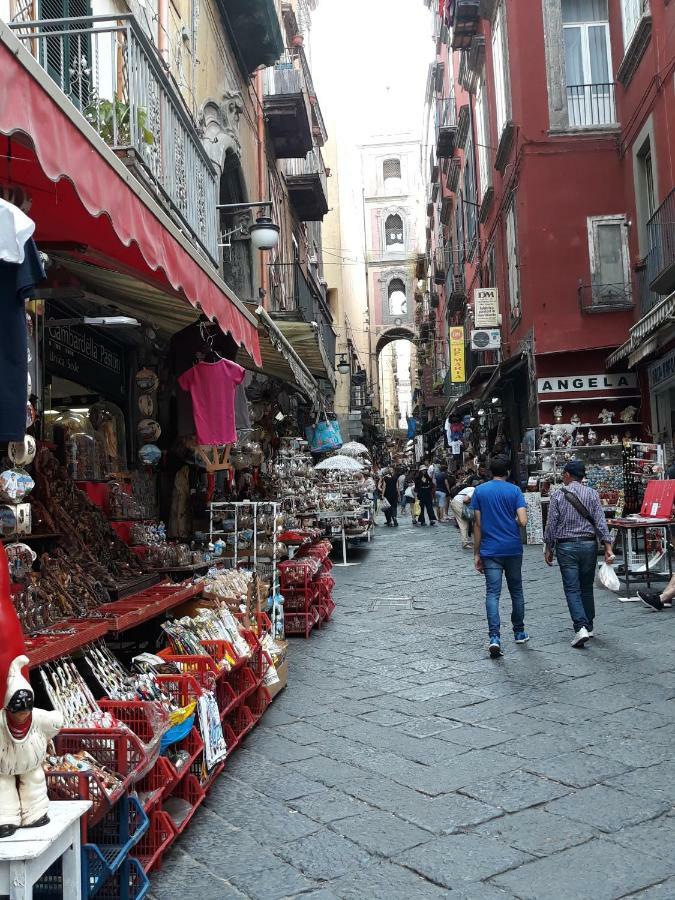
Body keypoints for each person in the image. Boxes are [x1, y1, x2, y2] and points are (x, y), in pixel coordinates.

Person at [543, 460, 614, 648]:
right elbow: (600, 521)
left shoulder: (558, 496)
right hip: (589, 545)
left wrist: (548, 546)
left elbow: (552, 524)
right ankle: (589, 625)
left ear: (567, 475)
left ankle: (580, 627)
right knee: (586, 586)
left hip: (566, 546)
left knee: (572, 588)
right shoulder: (592, 494)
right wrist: (608, 546)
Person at [471, 457, 529, 657]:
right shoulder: (514, 491)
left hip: (490, 549)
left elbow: (477, 525)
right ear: (508, 472)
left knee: (492, 594)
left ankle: (494, 637)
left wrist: (476, 552)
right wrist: (511, 520)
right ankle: (519, 631)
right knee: (516, 590)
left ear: (489, 471)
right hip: (512, 548)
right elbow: (523, 520)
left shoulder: (480, 491)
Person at [450, 480, 477, 548]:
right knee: (463, 522)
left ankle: (467, 541)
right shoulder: (474, 490)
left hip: (455, 502)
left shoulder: (470, 488)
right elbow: (465, 500)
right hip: (458, 503)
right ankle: (465, 542)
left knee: (465, 522)